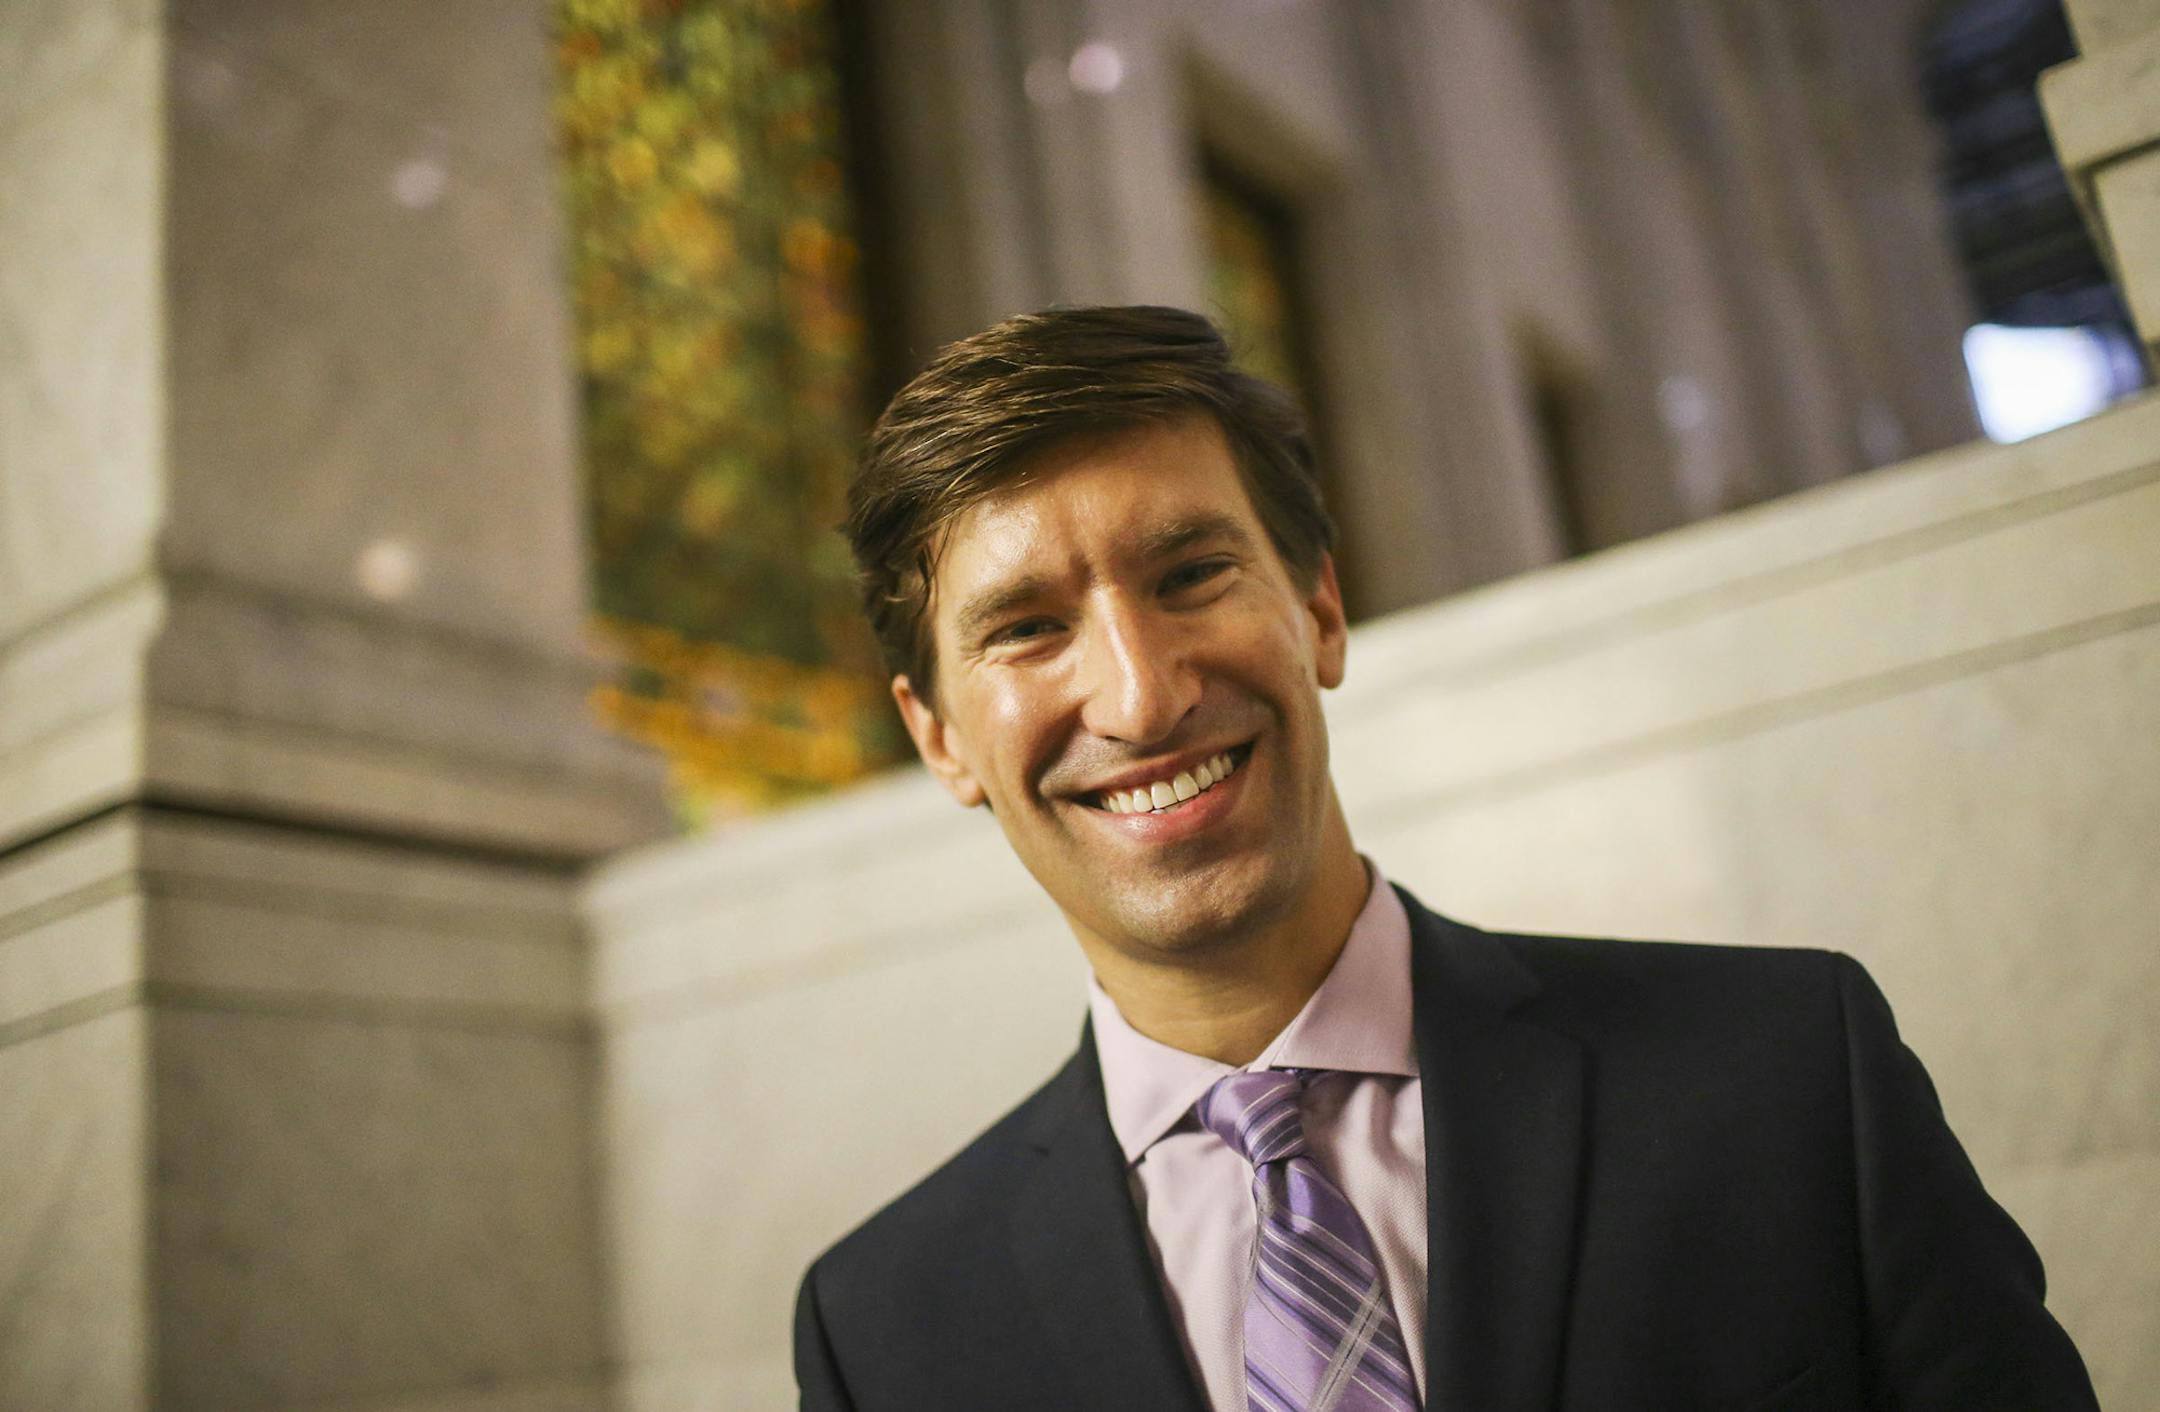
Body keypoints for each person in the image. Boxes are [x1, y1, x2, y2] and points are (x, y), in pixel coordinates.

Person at [792, 305, 2097, 1411]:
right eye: (1025, 628)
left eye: (1190, 574)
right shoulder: (884, 1329)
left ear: (1317, 609)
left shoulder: (1791, 1075)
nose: (1139, 697)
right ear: (941, 738)